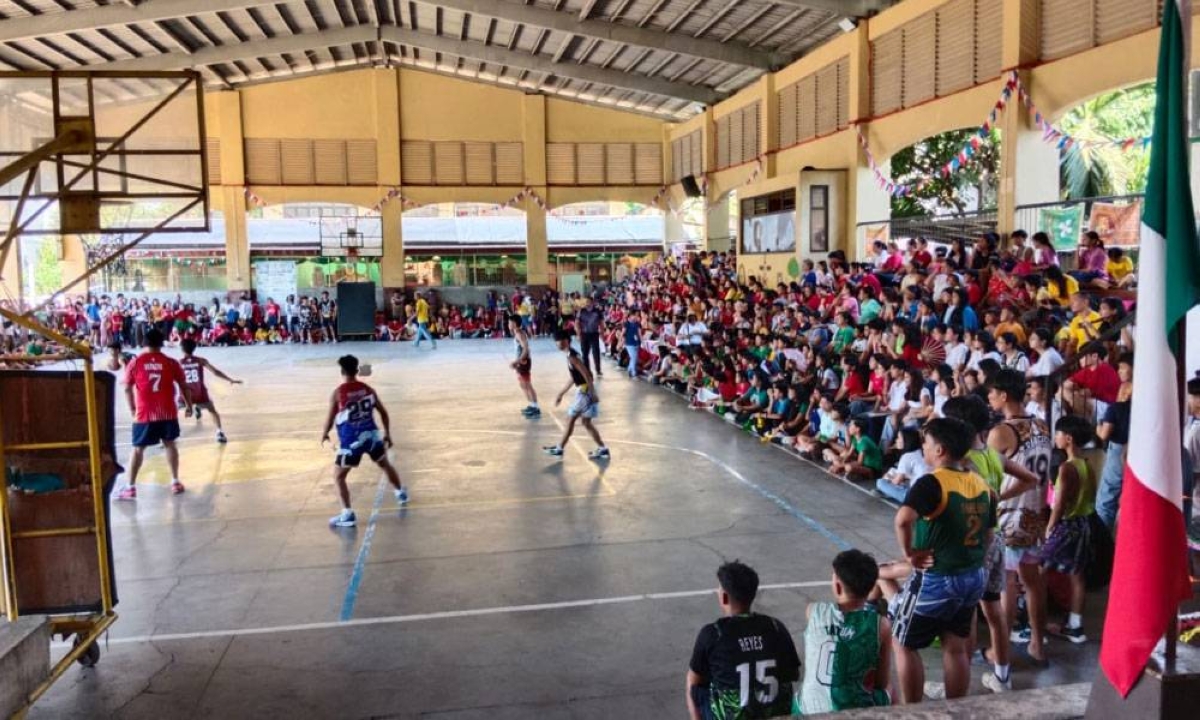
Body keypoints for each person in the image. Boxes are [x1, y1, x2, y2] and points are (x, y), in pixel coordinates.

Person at [890, 418, 996, 704]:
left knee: (903, 643)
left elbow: (902, 520)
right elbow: (988, 533)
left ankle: (913, 711)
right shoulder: (982, 485)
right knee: (957, 647)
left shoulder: (931, 483)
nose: (923, 448)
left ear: (940, 449)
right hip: (973, 577)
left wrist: (910, 553)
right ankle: (955, 710)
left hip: (937, 577)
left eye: (926, 443)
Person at [986, 369, 1051, 667]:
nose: (989, 397)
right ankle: (1037, 643)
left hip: (1010, 512)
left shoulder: (1001, 432)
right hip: (1035, 511)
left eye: (992, 392)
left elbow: (987, 473)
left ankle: (1002, 648)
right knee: (1032, 580)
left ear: (1003, 395)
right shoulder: (1042, 425)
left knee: (1007, 582)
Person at [686, 560, 800, 720]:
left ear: (724, 597)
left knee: (698, 686)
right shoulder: (776, 626)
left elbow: (693, 680)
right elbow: (793, 673)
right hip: (773, 712)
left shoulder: (712, 633)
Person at [796, 549, 891, 714]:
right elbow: (881, 682)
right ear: (870, 589)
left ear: (838, 586)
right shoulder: (880, 625)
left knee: (803, 692)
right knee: (890, 689)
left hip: (810, 711)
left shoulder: (813, 611)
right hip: (853, 712)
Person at [320, 355, 409, 527]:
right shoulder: (368, 389)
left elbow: (330, 418)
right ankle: (400, 493)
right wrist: (387, 434)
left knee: (339, 476)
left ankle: (347, 514)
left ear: (342, 371)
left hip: (351, 441)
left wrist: (324, 434)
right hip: (372, 437)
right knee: (384, 464)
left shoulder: (338, 393)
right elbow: (383, 412)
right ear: (357, 370)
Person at [1042, 414, 1098, 644]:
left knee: (1037, 572)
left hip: (1066, 525)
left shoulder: (1066, 468)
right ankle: (1075, 626)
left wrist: (1049, 528)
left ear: (1068, 438)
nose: (1056, 438)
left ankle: (1029, 621)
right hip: (1084, 524)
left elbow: (1060, 504)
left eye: (1058, 434)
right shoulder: (1087, 465)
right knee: (1077, 575)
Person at [118, 329, 191, 500]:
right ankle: (175, 482)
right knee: (170, 445)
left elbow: (127, 388)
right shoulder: (171, 362)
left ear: (144, 342)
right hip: (167, 412)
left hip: (145, 414)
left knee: (137, 449)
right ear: (162, 342)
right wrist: (189, 406)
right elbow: (183, 385)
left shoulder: (136, 363)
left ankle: (130, 487)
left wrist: (132, 409)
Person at [543, 330, 609, 460]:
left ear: (566, 340)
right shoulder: (571, 355)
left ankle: (559, 448)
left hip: (585, 392)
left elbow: (587, 375)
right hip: (585, 390)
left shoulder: (572, 357)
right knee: (586, 422)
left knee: (570, 418)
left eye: (559, 340)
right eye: (556, 341)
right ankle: (603, 449)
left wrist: (592, 393)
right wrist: (561, 393)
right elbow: (574, 377)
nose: (557, 343)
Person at [179, 338, 242, 444]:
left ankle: (168, 435)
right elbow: (216, 372)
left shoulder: (178, 363)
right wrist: (230, 379)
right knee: (212, 411)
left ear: (181, 349)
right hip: (200, 393)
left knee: (172, 411)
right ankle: (219, 432)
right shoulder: (201, 360)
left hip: (185, 395)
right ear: (194, 349)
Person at [508, 314, 539, 418]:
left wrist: (517, 361)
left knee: (527, 384)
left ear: (514, 323)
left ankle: (535, 407)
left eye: (509, 322)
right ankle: (531, 405)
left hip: (523, 362)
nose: (508, 324)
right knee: (523, 385)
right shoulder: (517, 333)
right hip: (521, 361)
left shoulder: (519, 334)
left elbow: (526, 349)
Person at [576, 294, 605, 377]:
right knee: (585, 354)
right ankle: (587, 371)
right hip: (584, 334)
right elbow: (577, 323)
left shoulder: (597, 311)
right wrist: (578, 334)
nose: (587, 303)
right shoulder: (581, 311)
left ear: (592, 302)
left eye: (588, 301)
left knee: (596, 352)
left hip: (594, 334)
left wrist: (602, 334)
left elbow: (601, 323)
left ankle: (598, 370)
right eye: (585, 302)